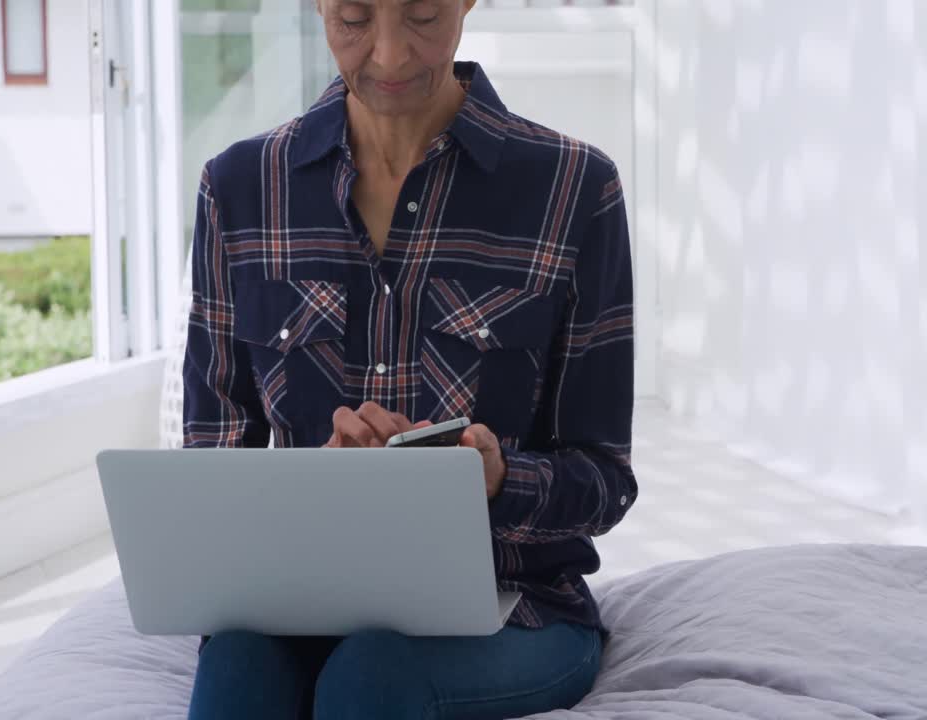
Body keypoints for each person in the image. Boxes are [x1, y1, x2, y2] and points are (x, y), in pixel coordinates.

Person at [182, 0, 636, 717]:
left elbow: (606, 482)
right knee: (237, 662)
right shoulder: (239, 190)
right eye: (354, 19)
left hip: (513, 608)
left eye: (422, 15)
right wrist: (307, 488)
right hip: (300, 605)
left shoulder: (575, 188)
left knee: (371, 672)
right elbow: (210, 472)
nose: (389, 56)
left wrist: (496, 478)